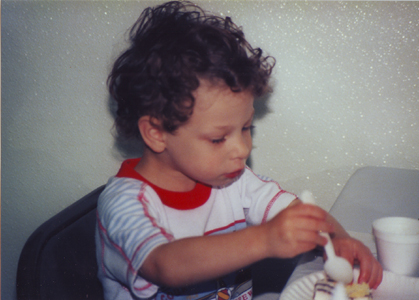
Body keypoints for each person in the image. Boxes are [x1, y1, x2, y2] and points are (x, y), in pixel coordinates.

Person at [96, 1, 383, 300]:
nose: (241, 149)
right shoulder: (124, 205)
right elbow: (164, 264)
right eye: (218, 139)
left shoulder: (231, 178)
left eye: (246, 128)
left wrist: (339, 240)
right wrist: (265, 239)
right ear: (156, 133)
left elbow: (296, 212)